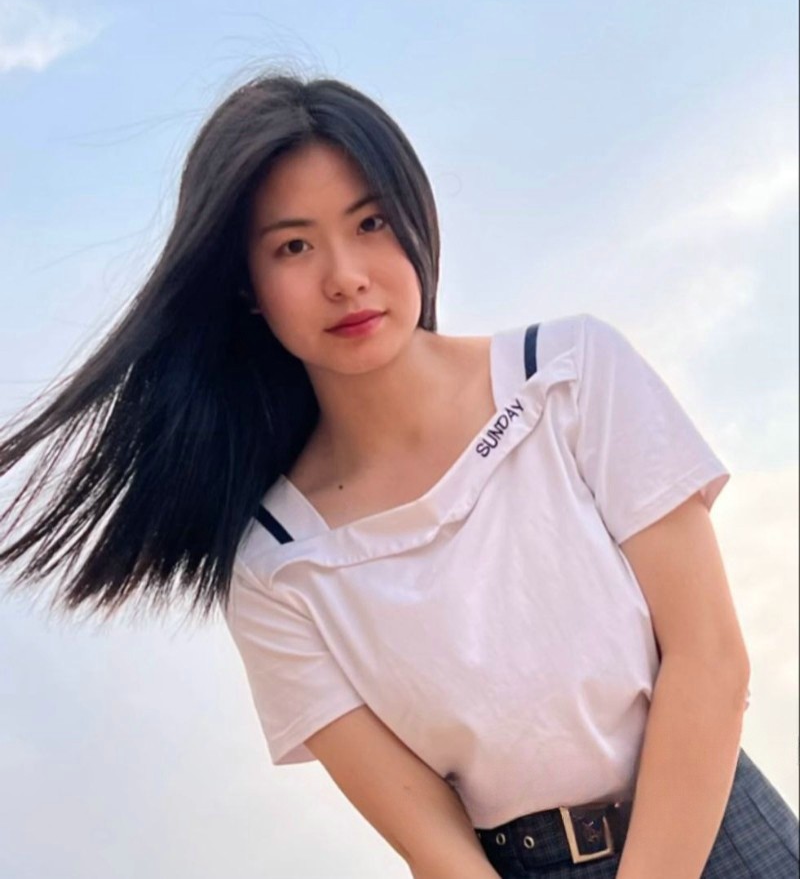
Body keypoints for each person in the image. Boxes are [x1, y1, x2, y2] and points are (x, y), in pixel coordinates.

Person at [0, 72, 797, 879]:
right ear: (247, 287)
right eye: (294, 246)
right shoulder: (276, 563)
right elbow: (431, 838)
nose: (345, 275)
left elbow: (710, 658)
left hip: (723, 831)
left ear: (415, 220)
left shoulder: (569, 374)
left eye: (371, 222)